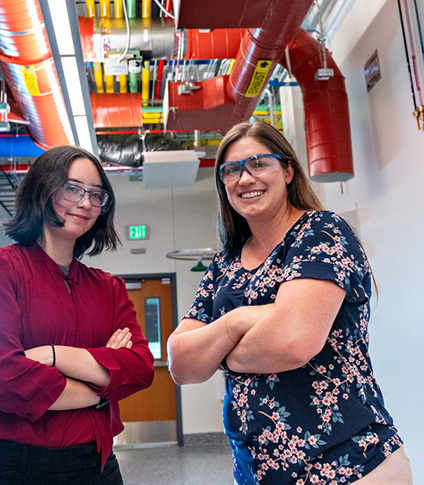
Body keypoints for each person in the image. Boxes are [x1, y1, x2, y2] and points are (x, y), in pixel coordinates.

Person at [167, 121, 412, 484]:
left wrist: (220, 352)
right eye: (232, 170)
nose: (245, 178)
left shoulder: (320, 231)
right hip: (258, 469)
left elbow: (292, 343)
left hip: (348, 462)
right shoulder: (224, 265)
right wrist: (239, 321)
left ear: (288, 171)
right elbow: (182, 365)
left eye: (259, 163)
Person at [0, 145, 154, 484]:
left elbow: (140, 369)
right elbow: (7, 380)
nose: (86, 202)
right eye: (72, 188)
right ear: (43, 191)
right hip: (8, 467)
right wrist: (102, 388)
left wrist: (52, 356)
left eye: (96, 194)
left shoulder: (109, 288)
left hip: (95, 465)